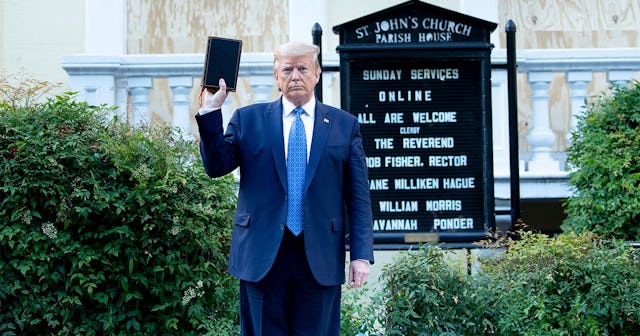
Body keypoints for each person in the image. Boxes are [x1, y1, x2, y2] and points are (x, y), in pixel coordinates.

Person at [195, 41, 374, 335]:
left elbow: (358, 197)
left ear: (316, 73)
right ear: (276, 76)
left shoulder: (344, 125)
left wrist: (360, 254)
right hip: (261, 255)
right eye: (287, 69)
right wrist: (211, 112)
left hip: (320, 256)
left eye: (303, 68)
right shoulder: (248, 119)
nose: (295, 76)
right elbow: (216, 167)